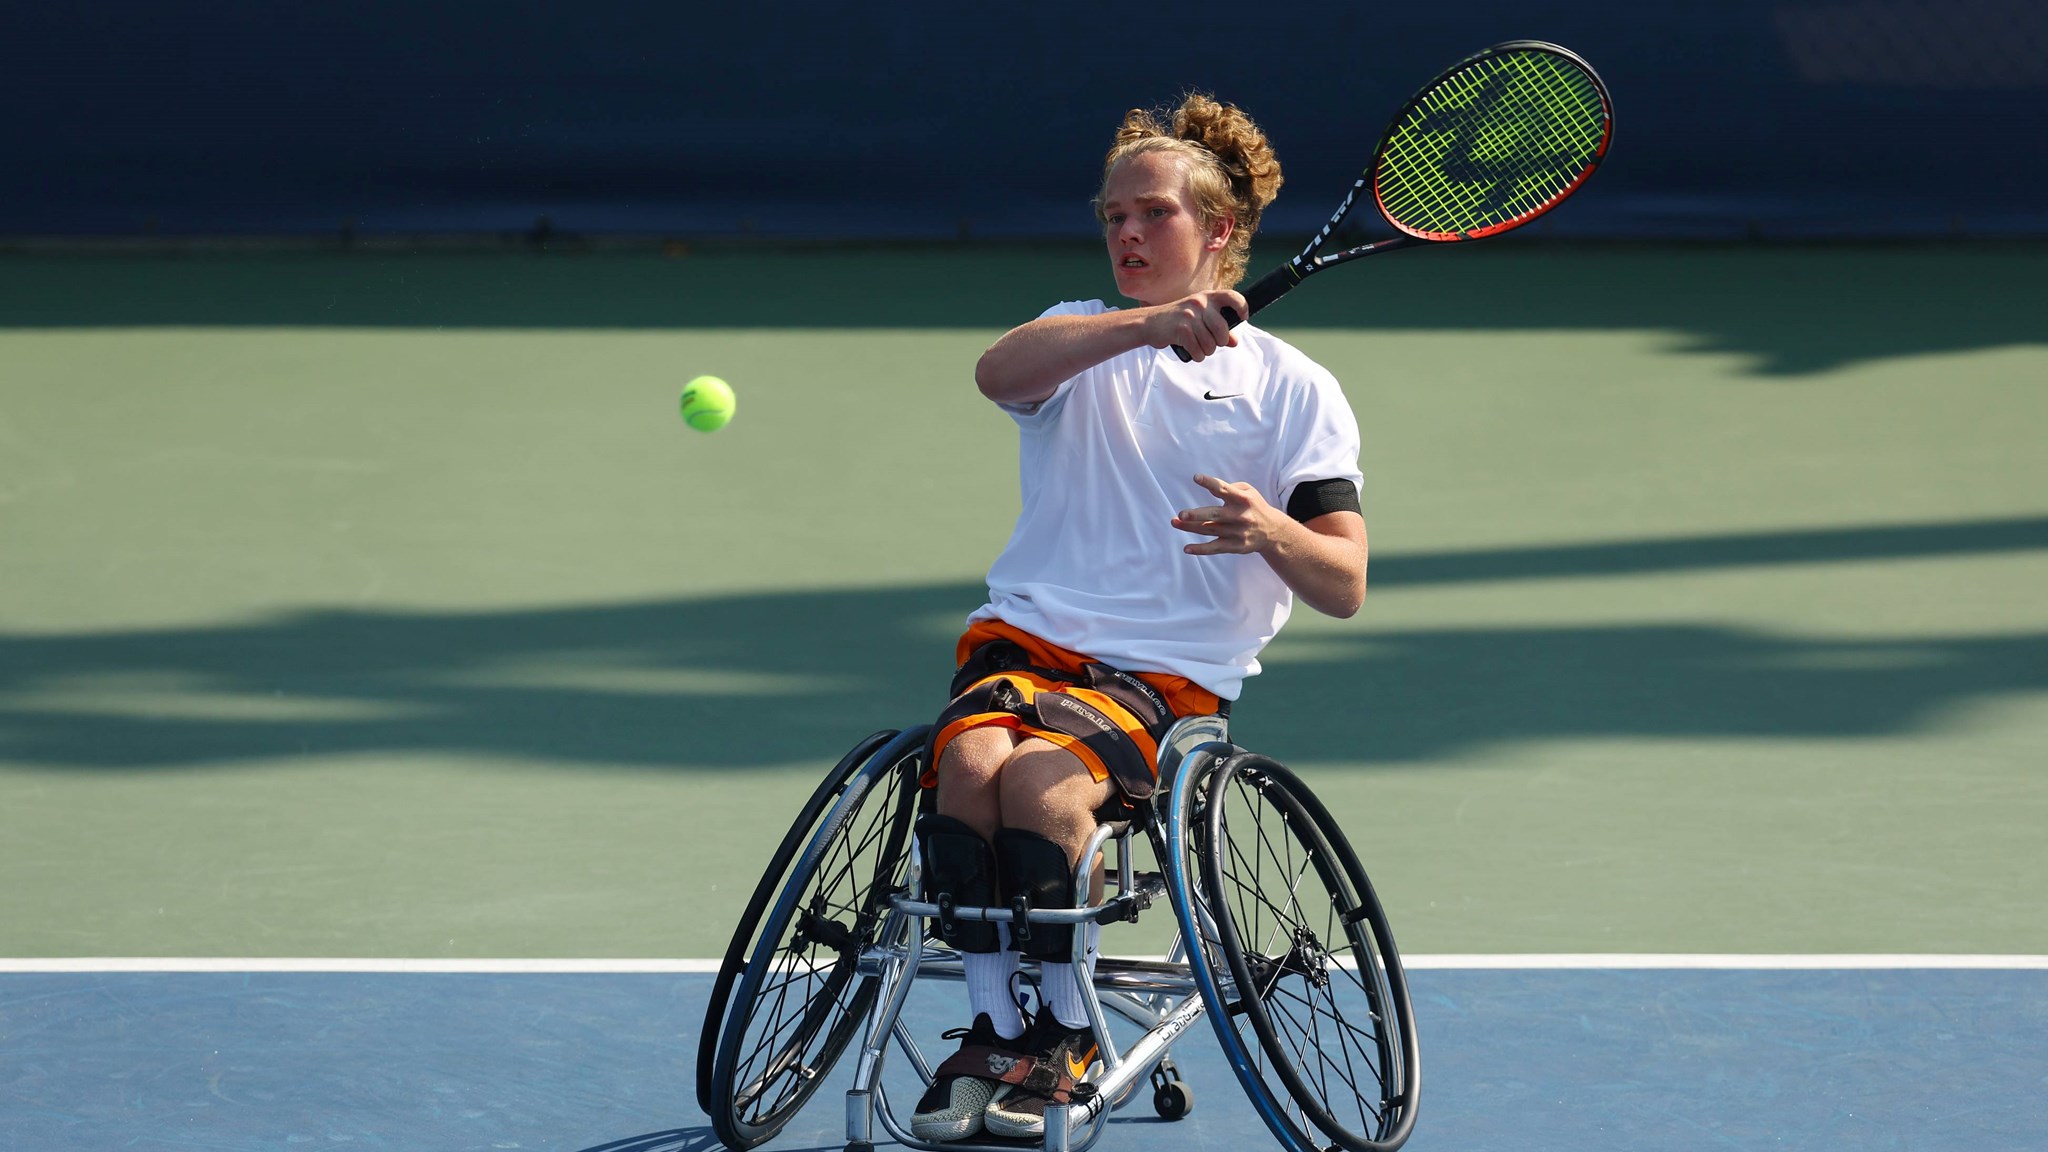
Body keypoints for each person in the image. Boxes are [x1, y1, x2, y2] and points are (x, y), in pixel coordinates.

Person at [909, 92, 1368, 1143]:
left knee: (1036, 780)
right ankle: (992, 1029)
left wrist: (1270, 532)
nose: (1124, 232)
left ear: (1216, 234)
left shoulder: (1295, 391)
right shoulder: (1076, 339)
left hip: (1164, 675)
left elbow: (1341, 582)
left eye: (1151, 214)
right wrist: (1150, 329)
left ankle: (1064, 1035)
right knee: (971, 763)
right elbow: (995, 373)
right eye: (1112, 214)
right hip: (1025, 644)